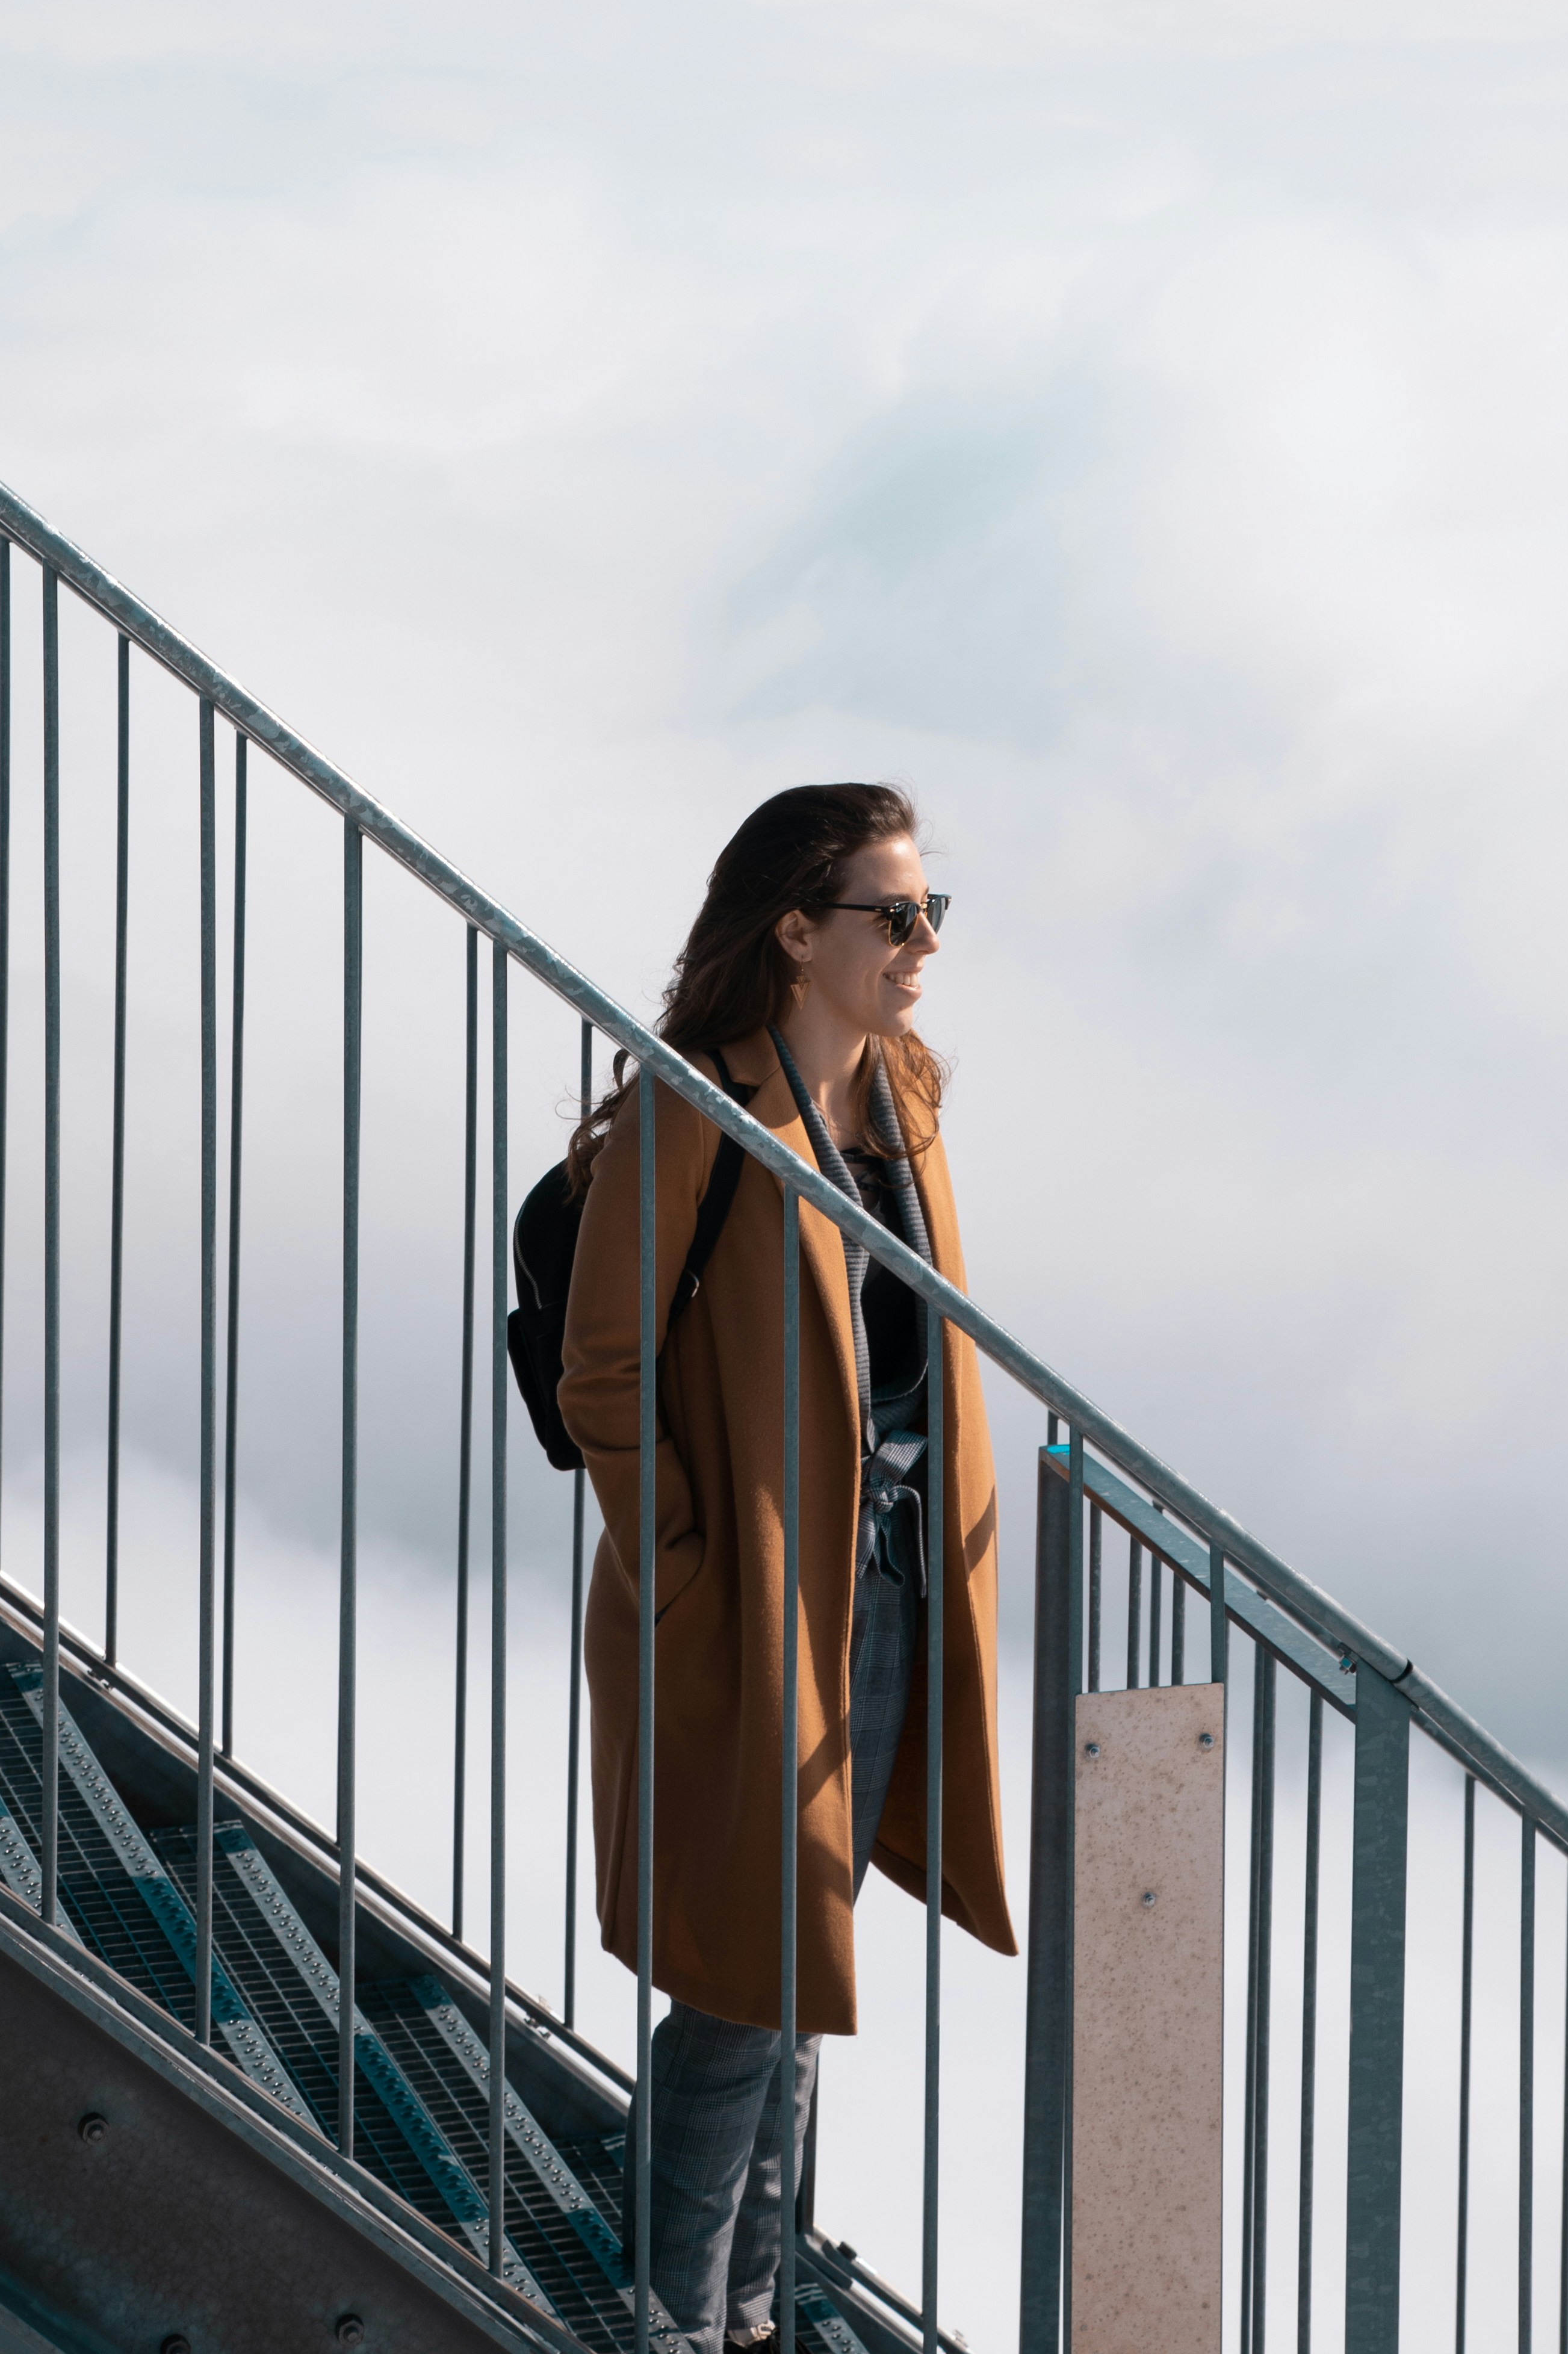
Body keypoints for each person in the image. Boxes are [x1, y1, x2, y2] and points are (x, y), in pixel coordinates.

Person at [558, 783, 1015, 2354]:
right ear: (798, 930)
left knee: (801, 1955)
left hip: (884, 1592)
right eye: (896, 917)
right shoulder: (705, 1110)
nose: (922, 945)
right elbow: (600, 1373)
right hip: (750, 1609)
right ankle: (673, 2319)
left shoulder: (904, 1098)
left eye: (929, 912)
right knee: (742, 1980)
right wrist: (687, 1562)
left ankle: (753, 2307)